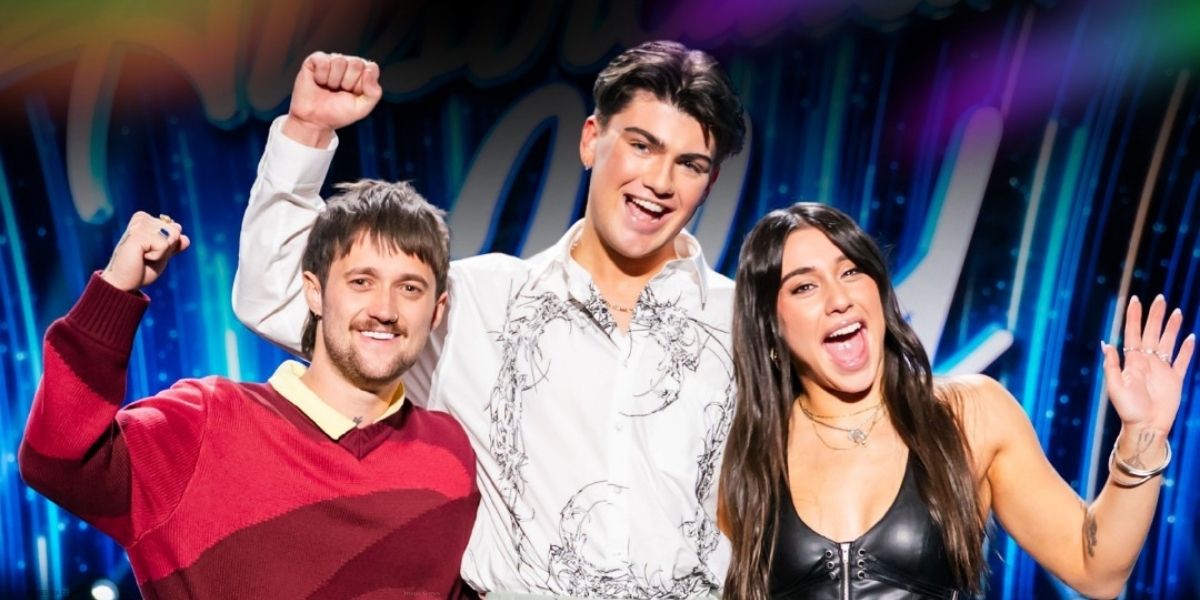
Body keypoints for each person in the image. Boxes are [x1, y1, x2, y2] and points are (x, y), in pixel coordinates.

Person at [232, 42, 746, 598]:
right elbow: (278, 295)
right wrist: (308, 131)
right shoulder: (478, 305)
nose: (661, 182)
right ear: (591, 139)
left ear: (710, 182)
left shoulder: (747, 320)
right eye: (642, 146)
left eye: (690, 165)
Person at [19, 181, 480, 598]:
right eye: (362, 281)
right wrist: (115, 291)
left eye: (410, 288)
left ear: (437, 311)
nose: (385, 309)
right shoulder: (205, 424)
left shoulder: (454, 451)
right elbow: (56, 460)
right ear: (314, 292)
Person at [718, 202, 1194, 599]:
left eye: (851, 271)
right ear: (771, 327)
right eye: (804, 286)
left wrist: (1143, 434)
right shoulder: (745, 451)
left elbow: (1097, 570)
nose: (839, 298)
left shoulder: (969, 413)